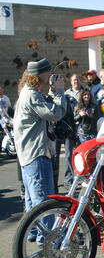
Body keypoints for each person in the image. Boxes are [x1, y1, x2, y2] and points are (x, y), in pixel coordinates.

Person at [13, 58, 67, 244]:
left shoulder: (26, 93)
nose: (51, 76)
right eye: (49, 72)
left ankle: (34, 232)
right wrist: (59, 91)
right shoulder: (32, 96)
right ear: (40, 75)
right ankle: (48, 239)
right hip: (36, 154)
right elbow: (56, 113)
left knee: (33, 198)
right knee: (44, 201)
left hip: (27, 155)